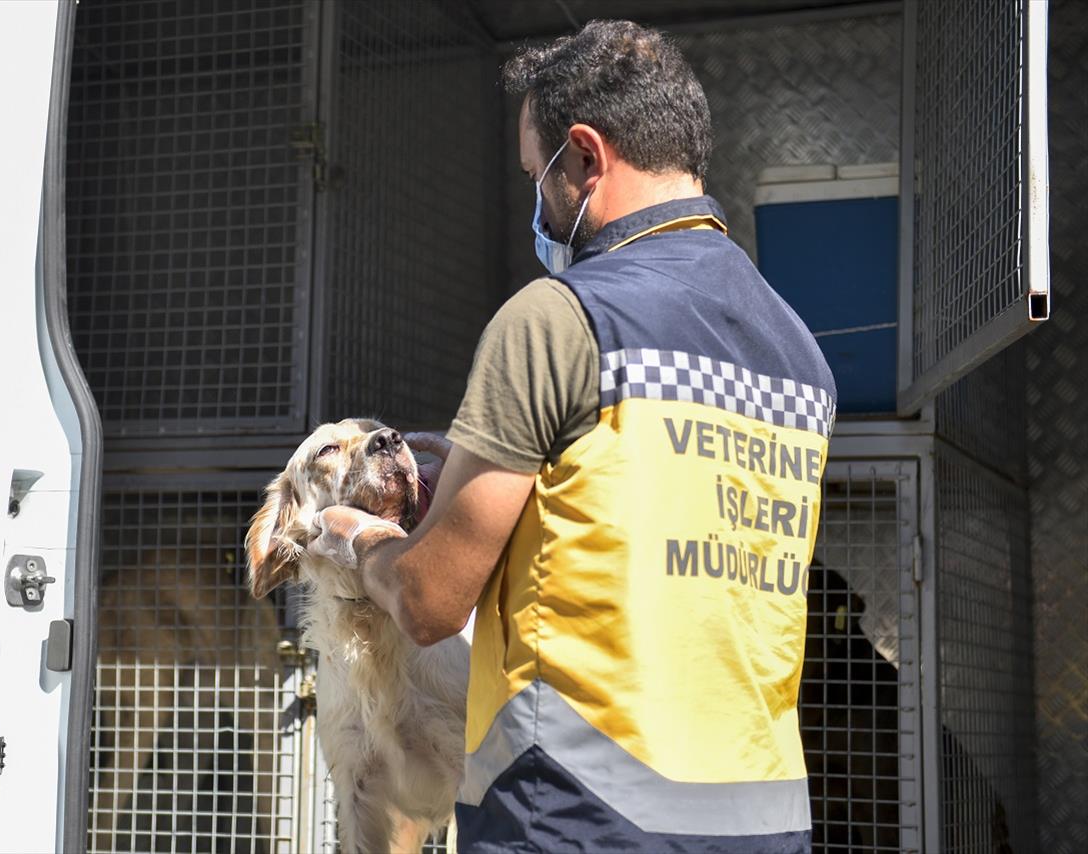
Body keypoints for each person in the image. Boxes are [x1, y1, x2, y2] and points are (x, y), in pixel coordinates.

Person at [305, 19, 835, 853]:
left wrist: (359, 537)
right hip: (761, 826)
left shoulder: (556, 319)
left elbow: (432, 601)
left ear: (584, 157)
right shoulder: (800, 350)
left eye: (536, 172)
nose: (538, 200)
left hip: (577, 819)